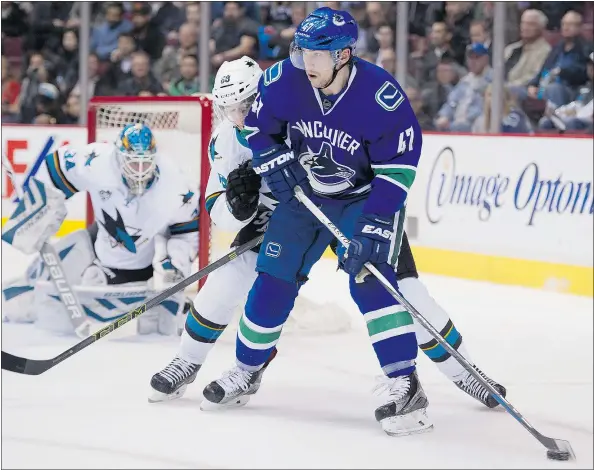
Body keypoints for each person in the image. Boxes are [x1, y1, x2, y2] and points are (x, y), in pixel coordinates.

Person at [199, 8, 504, 437]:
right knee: (272, 278)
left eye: (317, 55)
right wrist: (271, 156)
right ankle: (246, 369)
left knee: (373, 279)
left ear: (343, 55)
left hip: (363, 199)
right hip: (305, 196)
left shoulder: (381, 96)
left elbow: (398, 168)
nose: (306, 62)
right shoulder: (284, 79)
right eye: (300, 51)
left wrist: (376, 222)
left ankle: (406, 382)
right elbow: (260, 129)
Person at [1, 124, 199, 336]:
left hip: (134, 272)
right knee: (36, 283)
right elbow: (54, 167)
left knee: (57, 319)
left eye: (145, 163)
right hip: (95, 241)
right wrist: (39, 208)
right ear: (119, 156)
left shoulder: (175, 186)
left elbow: (187, 232)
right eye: (133, 163)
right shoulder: (98, 161)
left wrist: (175, 268)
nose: (139, 171)